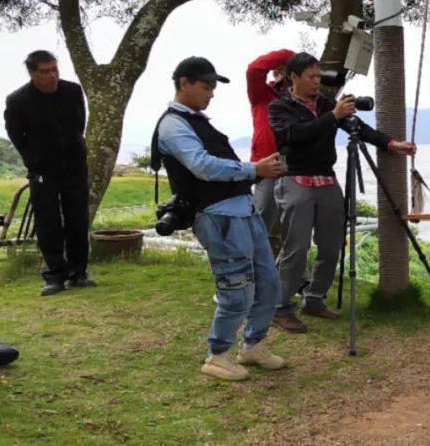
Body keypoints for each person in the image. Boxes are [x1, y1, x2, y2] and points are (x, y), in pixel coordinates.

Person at [153, 56, 288, 381]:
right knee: (236, 288)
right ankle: (218, 355)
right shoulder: (173, 125)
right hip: (217, 217)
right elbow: (202, 166)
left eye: (213, 88)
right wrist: (254, 169)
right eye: (205, 86)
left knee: (269, 282)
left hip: (244, 211)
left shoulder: (196, 120)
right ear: (183, 82)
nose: (210, 93)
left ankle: (253, 345)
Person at [268, 52, 416, 333]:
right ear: (294, 78)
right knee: (296, 247)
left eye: (318, 76)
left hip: (326, 181)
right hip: (295, 180)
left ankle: (314, 298)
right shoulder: (279, 107)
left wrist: (389, 143)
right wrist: (332, 116)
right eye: (310, 77)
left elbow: (355, 126)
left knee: (332, 244)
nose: (316, 82)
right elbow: (294, 136)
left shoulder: (323, 103)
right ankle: (281, 307)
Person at [3, 50, 93, 296]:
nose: (53, 75)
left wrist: (76, 150)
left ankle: (78, 272)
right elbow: (16, 135)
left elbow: (79, 125)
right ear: (33, 74)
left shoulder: (73, 91)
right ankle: (54, 276)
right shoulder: (18, 100)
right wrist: (34, 160)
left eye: (55, 68)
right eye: (46, 71)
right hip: (43, 171)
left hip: (74, 167)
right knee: (48, 223)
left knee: (77, 220)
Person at [246, 49, 294, 231]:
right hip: (268, 162)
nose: (279, 72)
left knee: (294, 223)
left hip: (297, 163)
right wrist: (290, 56)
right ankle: (249, 256)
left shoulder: (302, 98)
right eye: (278, 68)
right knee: (261, 217)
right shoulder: (261, 94)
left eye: (286, 69)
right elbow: (254, 69)